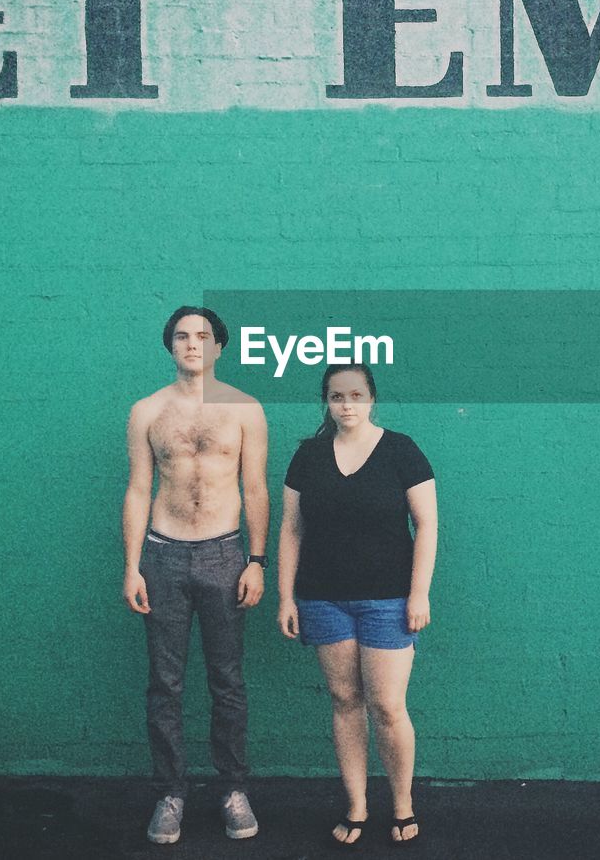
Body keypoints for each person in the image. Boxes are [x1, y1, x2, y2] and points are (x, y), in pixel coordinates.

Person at [121, 305, 269, 846]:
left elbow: (255, 488)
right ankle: (171, 794)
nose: (192, 344)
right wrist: (131, 565)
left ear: (219, 347)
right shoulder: (146, 412)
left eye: (203, 336)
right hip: (161, 556)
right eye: (182, 336)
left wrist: (257, 560)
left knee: (227, 682)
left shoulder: (245, 410)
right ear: (169, 346)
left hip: (225, 554)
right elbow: (138, 488)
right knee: (165, 684)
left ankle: (233, 789)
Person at [277, 363, 439, 849]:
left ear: (372, 398)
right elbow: (291, 529)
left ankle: (403, 804)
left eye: (356, 395)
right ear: (325, 401)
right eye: (336, 396)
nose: (346, 404)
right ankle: (357, 805)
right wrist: (286, 596)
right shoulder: (308, 455)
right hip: (323, 598)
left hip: (388, 600)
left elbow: (426, 525)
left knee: (387, 707)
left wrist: (419, 593)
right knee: (345, 702)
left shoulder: (401, 451)